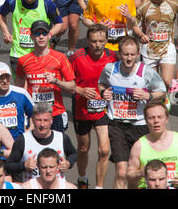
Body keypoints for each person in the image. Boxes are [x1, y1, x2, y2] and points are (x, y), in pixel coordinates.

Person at [98, 36, 167, 189]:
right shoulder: (110, 69)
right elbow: (101, 83)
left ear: (137, 54)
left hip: (140, 125)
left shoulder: (146, 72)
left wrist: (147, 95)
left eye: (132, 55)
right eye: (125, 54)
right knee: (121, 172)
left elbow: (162, 92)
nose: (129, 58)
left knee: (135, 172)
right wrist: (103, 93)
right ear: (119, 54)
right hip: (117, 125)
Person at [69, 24, 117, 189]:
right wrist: (80, 90)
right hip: (82, 109)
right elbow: (67, 83)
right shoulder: (77, 57)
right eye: (93, 41)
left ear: (106, 41)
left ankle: (99, 186)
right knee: (83, 148)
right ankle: (82, 178)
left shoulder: (113, 57)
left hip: (103, 109)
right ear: (87, 40)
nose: (97, 45)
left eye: (101, 41)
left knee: (104, 150)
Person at [15, 20, 76, 132]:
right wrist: (22, 111)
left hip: (55, 113)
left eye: (44, 33)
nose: (41, 37)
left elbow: (72, 88)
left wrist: (56, 81)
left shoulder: (60, 58)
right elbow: (19, 88)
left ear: (49, 35)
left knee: (57, 148)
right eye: (37, 34)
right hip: (33, 113)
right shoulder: (23, 61)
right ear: (32, 36)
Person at [0, 0, 63, 76]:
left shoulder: (47, 4)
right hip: (18, 53)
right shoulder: (12, 2)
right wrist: (5, 32)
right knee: (21, 88)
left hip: (41, 53)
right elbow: (0, 13)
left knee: (38, 87)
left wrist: (49, 35)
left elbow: (59, 23)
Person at [5, 102, 77, 183]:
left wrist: (68, 163)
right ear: (32, 120)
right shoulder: (23, 140)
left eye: (46, 120)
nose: (42, 124)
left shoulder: (62, 138)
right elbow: (8, 166)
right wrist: (24, 165)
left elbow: (74, 154)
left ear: (51, 121)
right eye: (39, 120)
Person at [133, 0, 178, 91]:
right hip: (149, 50)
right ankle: (158, 103)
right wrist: (141, 35)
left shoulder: (173, 4)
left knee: (167, 81)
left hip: (167, 47)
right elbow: (135, 26)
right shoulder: (144, 6)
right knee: (153, 85)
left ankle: (165, 100)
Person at [127, 100, 178, 189]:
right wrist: (140, 173)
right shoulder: (139, 146)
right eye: (151, 118)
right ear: (146, 121)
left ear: (166, 119)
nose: (156, 121)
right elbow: (129, 175)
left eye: (159, 117)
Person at [0, 61, 34, 140]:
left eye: (7, 77)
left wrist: (29, 133)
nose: (5, 81)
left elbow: (35, 114)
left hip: (19, 142)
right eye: (1, 77)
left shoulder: (21, 94)